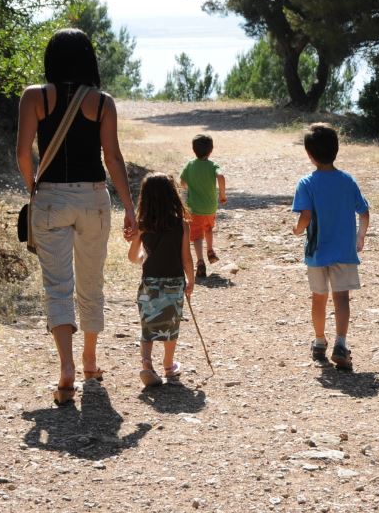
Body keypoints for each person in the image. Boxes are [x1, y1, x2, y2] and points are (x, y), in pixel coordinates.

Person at [16, 28, 136, 406]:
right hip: (93, 199)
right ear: (89, 59)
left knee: (58, 286)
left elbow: (22, 153)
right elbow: (112, 158)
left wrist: (33, 186)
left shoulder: (34, 97)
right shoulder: (102, 103)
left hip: (51, 196)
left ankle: (65, 369)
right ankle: (90, 360)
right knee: (91, 281)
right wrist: (130, 208)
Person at [290, 122, 370, 371]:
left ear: (309, 155)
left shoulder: (306, 183)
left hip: (316, 251)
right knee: (342, 297)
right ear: (336, 150)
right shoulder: (347, 181)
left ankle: (319, 341)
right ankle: (341, 343)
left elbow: (305, 217)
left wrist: (297, 230)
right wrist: (360, 236)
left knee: (319, 297)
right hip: (344, 252)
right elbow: (364, 212)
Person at [128, 172, 196, 388]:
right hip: (174, 282)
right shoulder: (181, 225)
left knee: (148, 325)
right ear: (172, 195)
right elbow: (186, 258)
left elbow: (132, 257)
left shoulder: (142, 225)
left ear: (145, 198)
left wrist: (144, 257)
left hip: (150, 283)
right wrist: (191, 280)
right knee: (170, 324)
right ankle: (168, 365)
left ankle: (147, 364)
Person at [179, 133, 227, 279]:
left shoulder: (190, 165)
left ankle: (200, 261)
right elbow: (220, 176)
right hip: (210, 207)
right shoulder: (213, 165)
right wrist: (222, 195)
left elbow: (182, 181)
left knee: (197, 236)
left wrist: (189, 185)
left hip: (195, 208)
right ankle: (211, 250)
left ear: (193, 149)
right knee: (209, 228)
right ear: (211, 150)